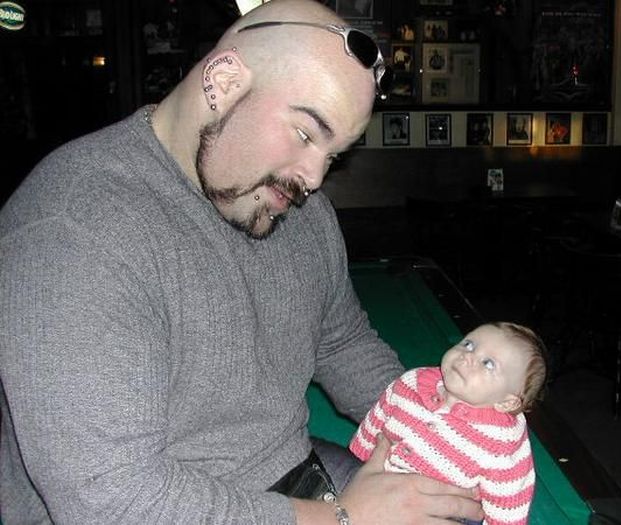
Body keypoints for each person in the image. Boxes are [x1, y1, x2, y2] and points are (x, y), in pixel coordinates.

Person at [0, 1, 483, 524]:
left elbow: (341, 342)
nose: (314, 178)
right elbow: (111, 500)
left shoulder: (299, 210)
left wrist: (432, 430)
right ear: (224, 82)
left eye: (333, 155)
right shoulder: (74, 228)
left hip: (289, 481)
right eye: (306, 134)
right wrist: (345, 518)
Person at [350, 322, 548, 525]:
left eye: (488, 363)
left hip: (443, 512)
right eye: (469, 344)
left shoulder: (502, 443)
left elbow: (509, 498)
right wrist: (359, 457)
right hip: (381, 483)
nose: (468, 356)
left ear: (507, 402)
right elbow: (379, 416)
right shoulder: (412, 383)